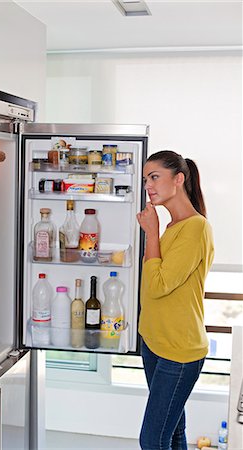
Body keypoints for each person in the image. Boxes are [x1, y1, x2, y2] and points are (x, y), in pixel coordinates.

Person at [136, 150, 214, 450]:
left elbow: (159, 285)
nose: (148, 185)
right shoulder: (171, 228)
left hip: (179, 352)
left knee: (152, 440)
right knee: (174, 431)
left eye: (154, 177)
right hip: (154, 342)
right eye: (146, 179)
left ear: (178, 179)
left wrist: (151, 232)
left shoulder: (196, 228)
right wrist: (154, 233)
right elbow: (150, 279)